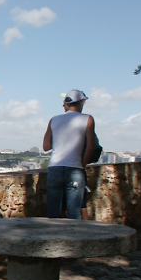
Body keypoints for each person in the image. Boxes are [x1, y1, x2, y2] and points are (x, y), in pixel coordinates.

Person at [43, 89, 96, 219]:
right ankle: (75, 239)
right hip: (75, 168)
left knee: (53, 212)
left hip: (54, 168)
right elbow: (90, 147)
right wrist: (82, 165)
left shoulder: (54, 120)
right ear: (82, 102)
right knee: (74, 213)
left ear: (66, 103)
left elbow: (46, 146)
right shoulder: (88, 119)